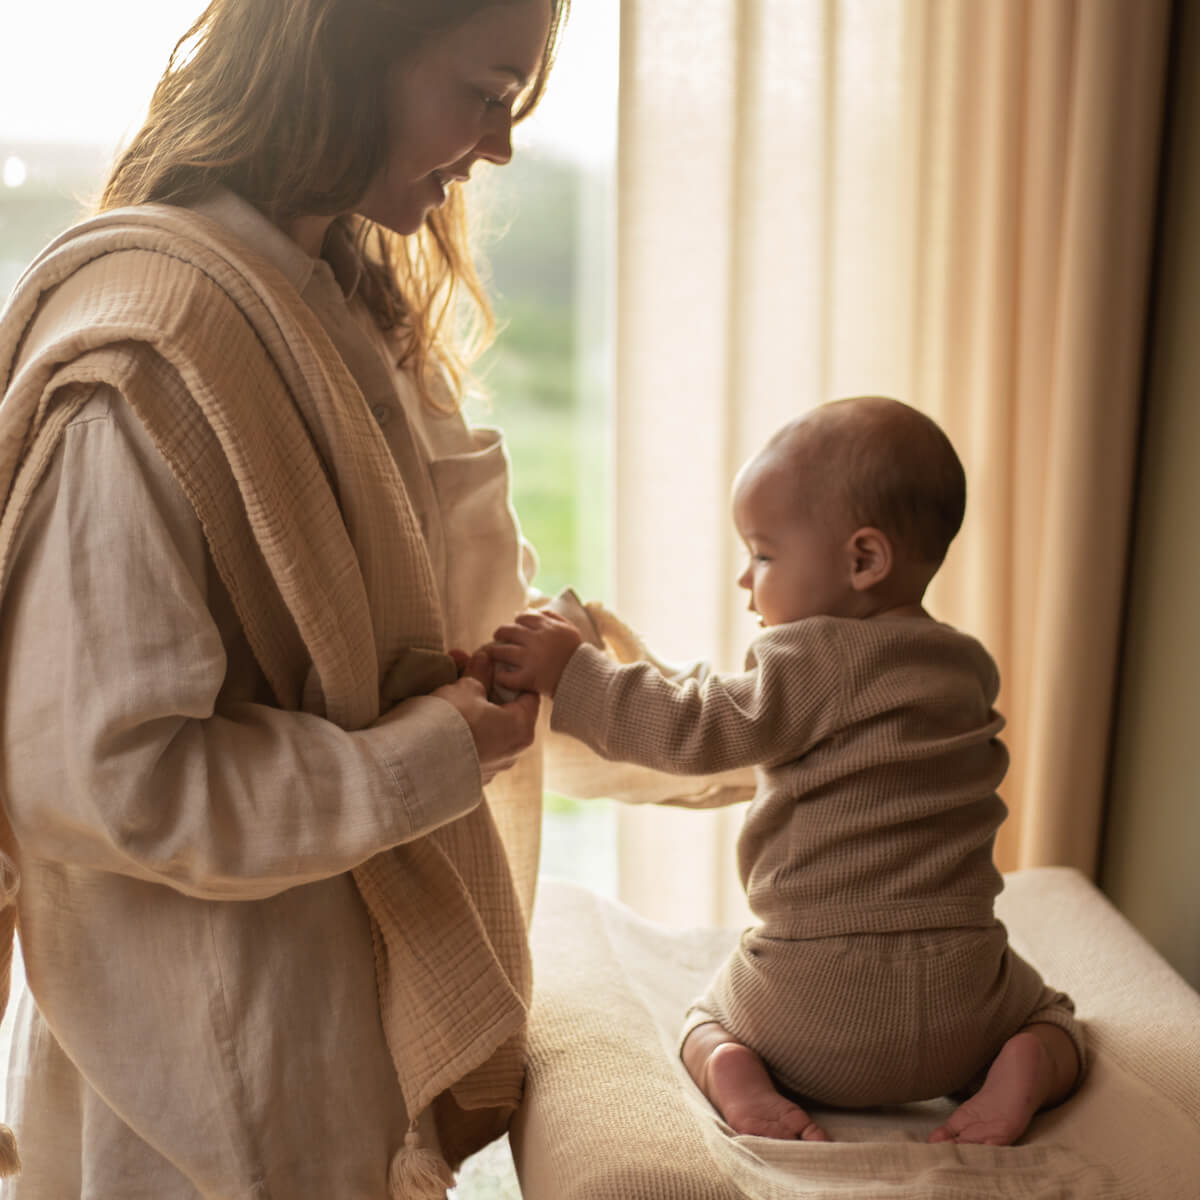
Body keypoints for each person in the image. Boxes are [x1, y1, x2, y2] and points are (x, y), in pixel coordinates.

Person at [0, 1, 570, 1196]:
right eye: (488, 93)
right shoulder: (149, 365)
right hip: (201, 1093)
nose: (501, 145)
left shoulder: (333, 309)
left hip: (307, 1053)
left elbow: (437, 628)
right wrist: (423, 761)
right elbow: (99, 779)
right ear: (349, 50)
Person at [488, 396, 1087, 1147]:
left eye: (763, 555)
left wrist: (576, 674)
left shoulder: (809, 657)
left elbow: (694, 724)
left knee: (703, 1021)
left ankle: (743, 1082)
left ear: (863, 560)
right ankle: (1017, 1076)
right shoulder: (965, 667)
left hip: (811, 1008)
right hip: (963, 1000)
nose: (747, 580)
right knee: (1056, 1020)